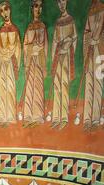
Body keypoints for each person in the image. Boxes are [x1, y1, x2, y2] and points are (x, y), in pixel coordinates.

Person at [0, 1, 21, 127]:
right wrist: (0, 59)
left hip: (10, 62)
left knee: (10, 87)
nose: (5, 13)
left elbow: (17, 47)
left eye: (6, 9)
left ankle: (10, 116)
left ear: (10, 10)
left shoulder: (15, 29)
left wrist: (10, 55)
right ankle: (2, 116)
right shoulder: (1, 30)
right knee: (2, 87)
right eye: (2, 11)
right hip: (3, 63)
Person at [51, 0, 77, 129]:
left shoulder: (71, 19)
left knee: (64, 85)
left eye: (63, 2)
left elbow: (74, 37)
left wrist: (68, 47)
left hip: (66, 55)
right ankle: (56, 117)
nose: (61, 5)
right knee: (57, 86)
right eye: (59, 3)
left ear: (66, 3)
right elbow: (55, 41)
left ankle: (64, 118)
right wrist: (53, 59)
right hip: (57, 56)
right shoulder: (57, 22)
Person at [23, 0, 48, 127]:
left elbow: (44, 45)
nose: (37, 10)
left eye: (39, 7)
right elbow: (25, 45)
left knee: (37, 85)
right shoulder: (29, 27)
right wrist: (30, 50)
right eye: (35, 7)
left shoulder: (43, 26)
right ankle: (28, 115)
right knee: (29, 86)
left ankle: (38, 116)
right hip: (30, 59)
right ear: (32, 9)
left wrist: (36, 49)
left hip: (38, 60)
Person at [83, 0, 104, 130]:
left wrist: (94, 37)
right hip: (90, 50)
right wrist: (88, 40)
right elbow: (86, 31)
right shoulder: (90, 10)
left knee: (98, 82)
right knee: (89, 82)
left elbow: (101, 26)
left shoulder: (102, 8)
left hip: (100, 51)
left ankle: (95, 119)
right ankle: (87, 118)